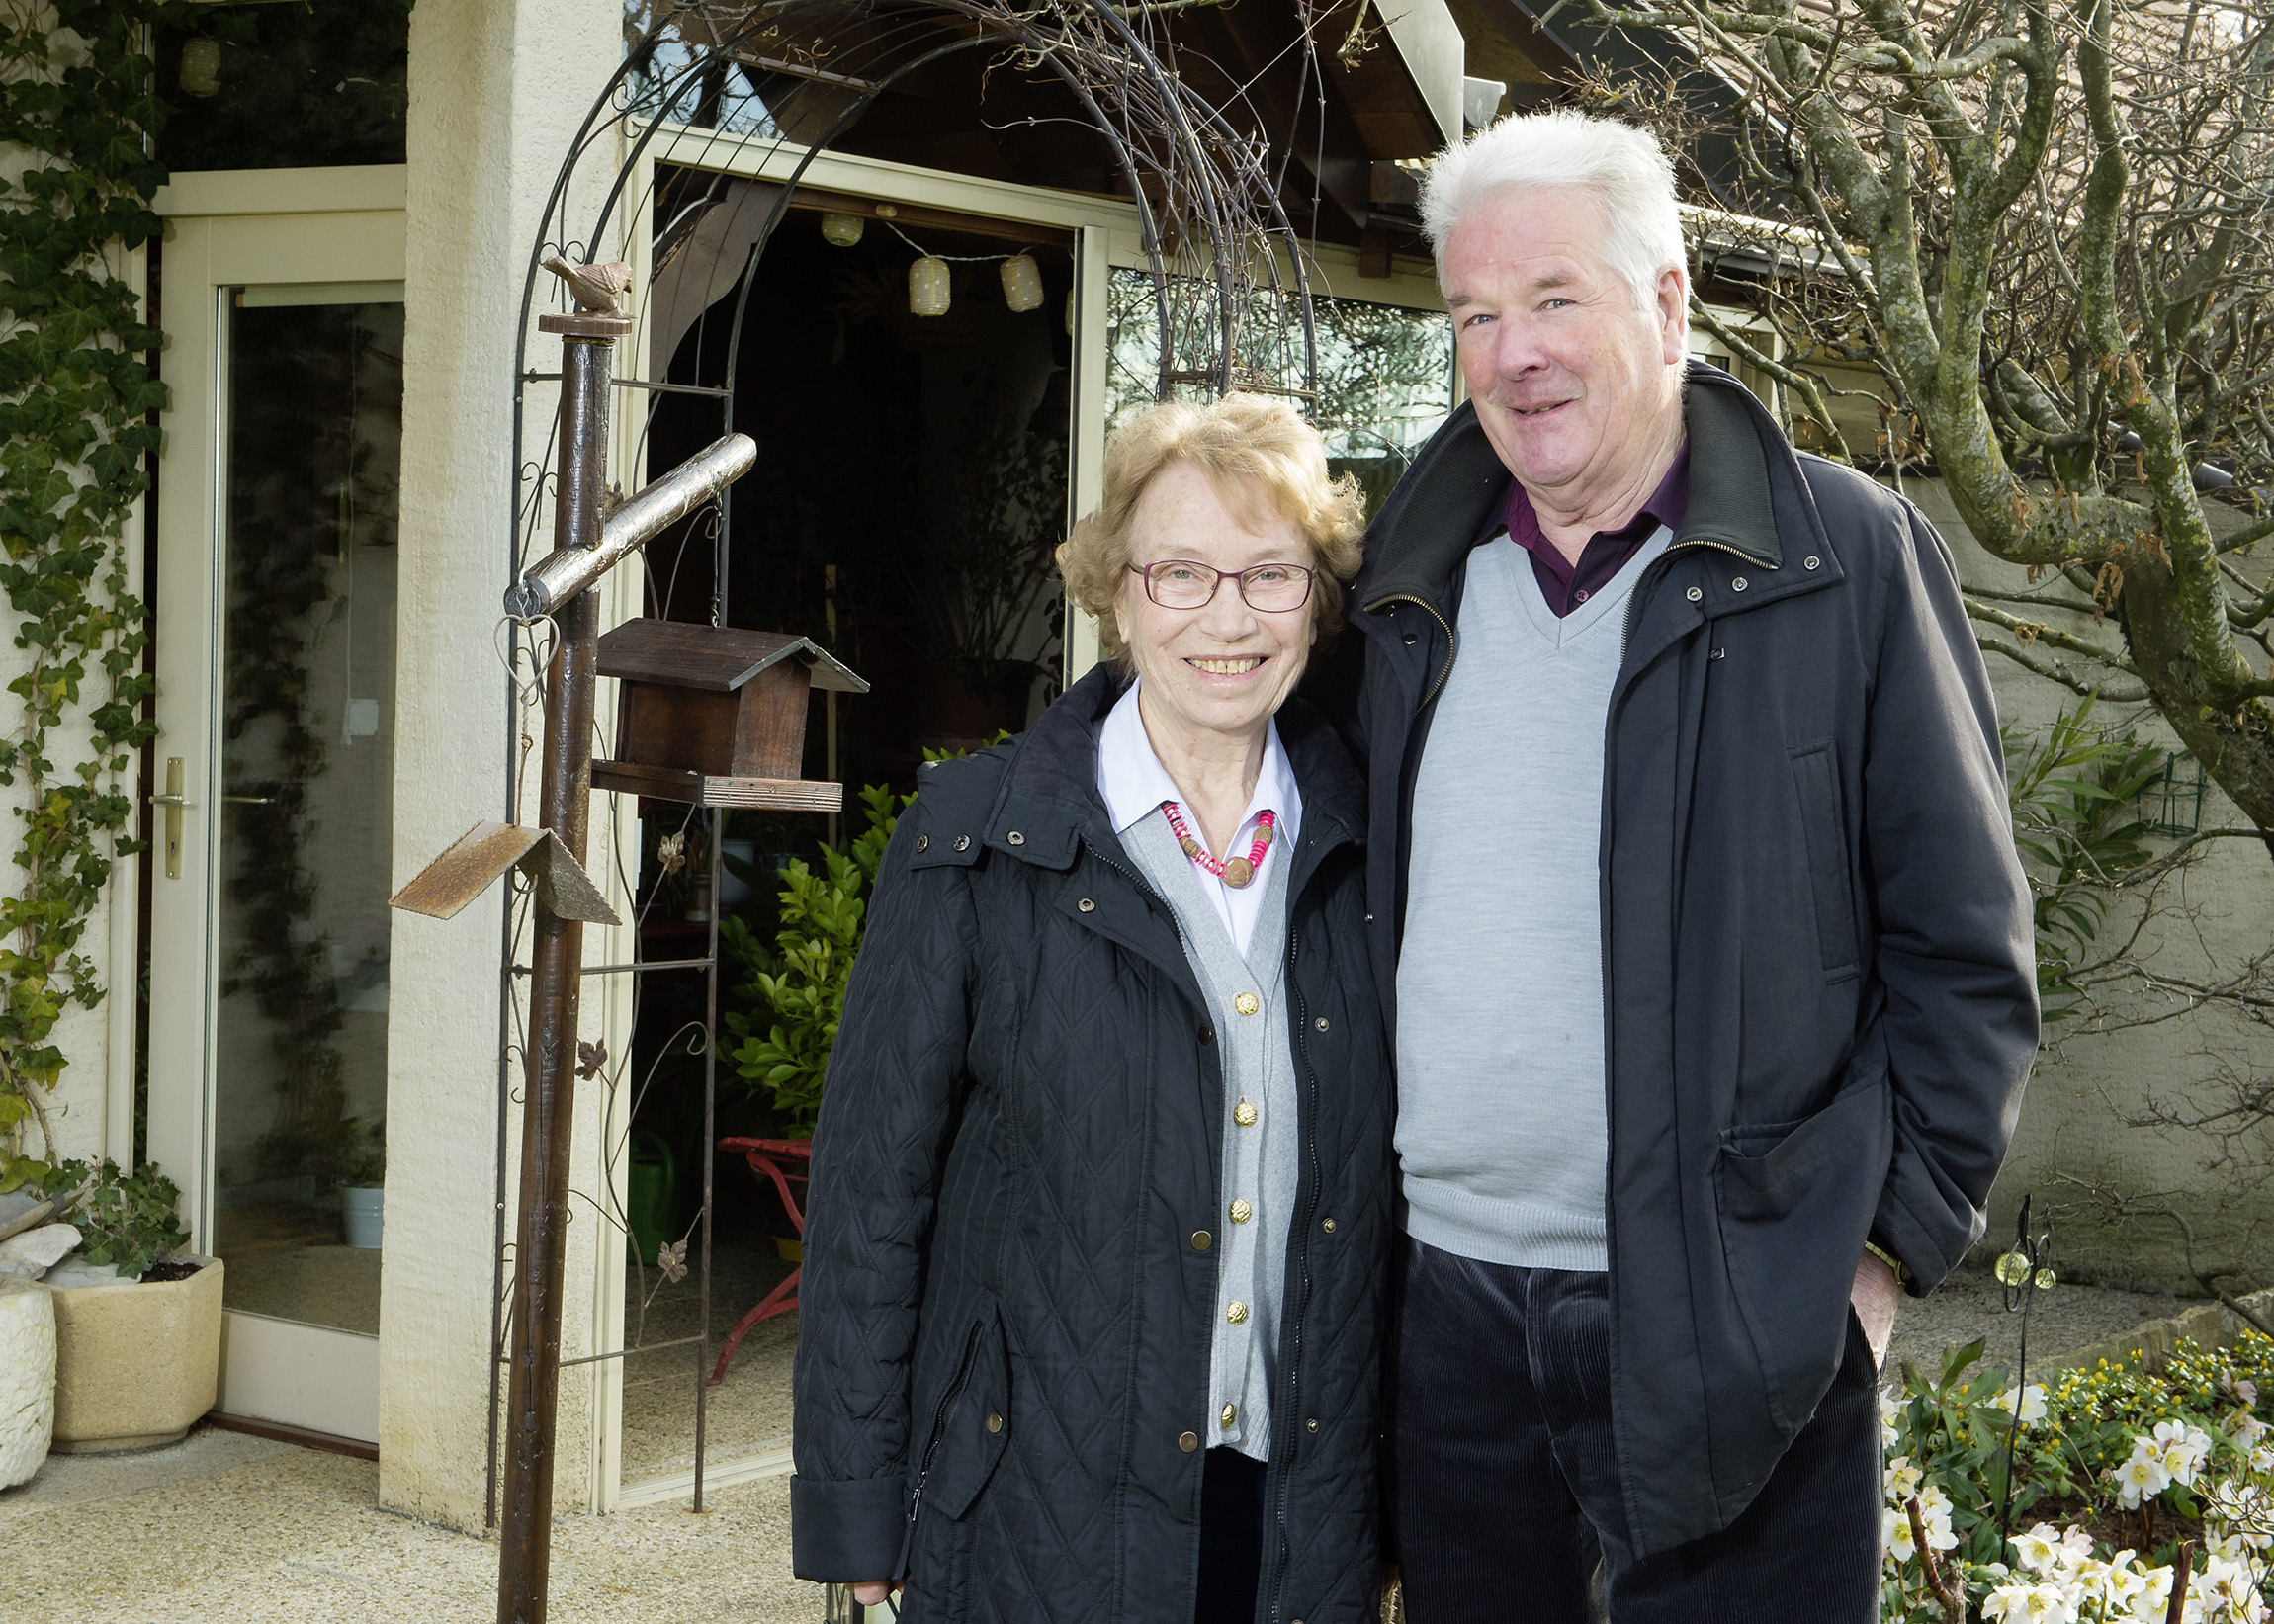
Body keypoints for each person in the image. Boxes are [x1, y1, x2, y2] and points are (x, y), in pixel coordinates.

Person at [1310, 109, 2040, 1621]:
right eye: (1478, 316)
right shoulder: (1403, 576)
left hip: (1733, 1306)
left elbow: (1965, 942)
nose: (1516, 354)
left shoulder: (1842, 556)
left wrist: (1884, 1246)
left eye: (1556, 299)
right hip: (1445, 1317)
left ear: (1666, 300)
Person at [791, 392, 1392, 1623]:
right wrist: (856, 1504)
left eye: (1270, 574)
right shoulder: (975, 834)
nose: (1227, 616)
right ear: (1117, 595)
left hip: (1296, 1516)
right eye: (1182, 572)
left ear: (1315, 604)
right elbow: (867, 1199)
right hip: (1034, 1512)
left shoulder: (1372, 845)